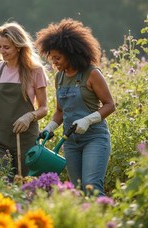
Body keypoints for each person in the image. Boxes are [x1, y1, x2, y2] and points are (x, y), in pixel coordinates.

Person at [34, 18, 116, 196]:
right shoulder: (60, 77)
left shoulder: (91, 73)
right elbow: (60, 111)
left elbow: (110, 105)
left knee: (92, 187)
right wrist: (50, 127)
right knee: (78, 191)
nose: (54, 62)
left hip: (94, 139)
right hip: (70, 142)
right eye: (51, 58)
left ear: (71, 53)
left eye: (58, 58)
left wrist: (88, 120)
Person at [0, 22, 48, 178]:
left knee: (26, 185)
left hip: (26, 140)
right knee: (1, 183)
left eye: (6, 47)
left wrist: (29, 116)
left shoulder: (35, 71)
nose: (2, 51)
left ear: (18, 47)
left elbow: (44, 108)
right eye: (0, 46)